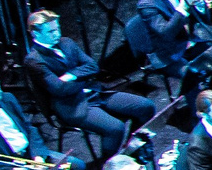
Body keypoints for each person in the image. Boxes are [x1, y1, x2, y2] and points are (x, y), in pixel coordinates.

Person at [23, 10, 154, 159]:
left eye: (57, 28)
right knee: (115, 128)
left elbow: (93, 66)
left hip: (94, 92)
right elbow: (59, 89)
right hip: (71, 106)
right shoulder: (34, 60)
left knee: (145, 106)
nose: (56, 34)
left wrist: (71, 75)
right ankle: (109, 165)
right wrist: (83, 78)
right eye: (51, 31)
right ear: (36, 35)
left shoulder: (66, 43)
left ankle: (132, 151)